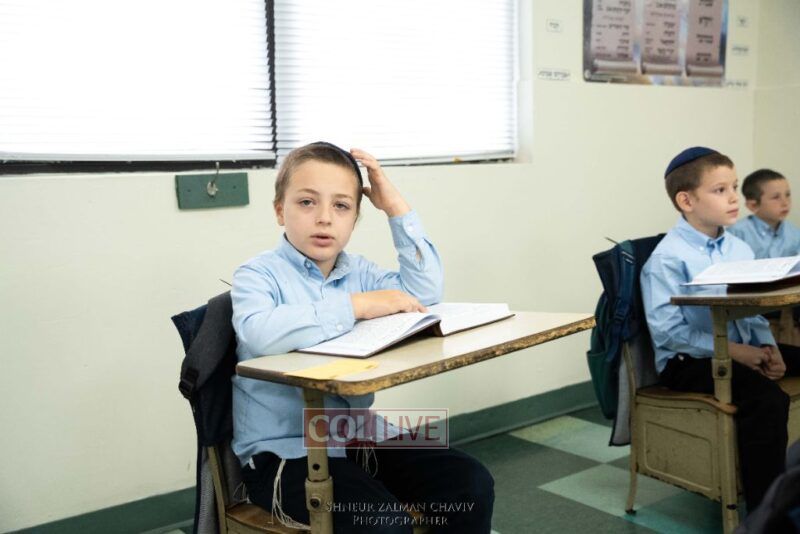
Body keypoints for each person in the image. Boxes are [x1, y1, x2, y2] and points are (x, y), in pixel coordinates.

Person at [230, 141, 494, 533]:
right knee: (384, 524)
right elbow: (259, 332)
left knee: (470, 485)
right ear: (280, 210)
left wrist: (394, 208)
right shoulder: (257, 275)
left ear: (354, 219)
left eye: (341, 206)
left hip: (356, 437)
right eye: (307, 202)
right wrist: (357, 305)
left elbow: (424, 294)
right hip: (284, 451)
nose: (324, 218)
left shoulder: (360, 272)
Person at [641, 146, 800, 512]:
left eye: (735, 187)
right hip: (688, 361)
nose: (733, 198)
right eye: (720, 190)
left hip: (741, 351)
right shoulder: (667, 258)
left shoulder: (738, 248)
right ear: (686, 200)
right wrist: (737, 352)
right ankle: (766, 514)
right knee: (767, 400)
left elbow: (752, 313)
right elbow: (669, 334)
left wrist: (769, 349)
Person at [728, 168, 800, 258]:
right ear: (753, 205)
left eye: (787, 195)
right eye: (776, 197)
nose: (785, 203)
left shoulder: (794, 233)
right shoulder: (736, 233)